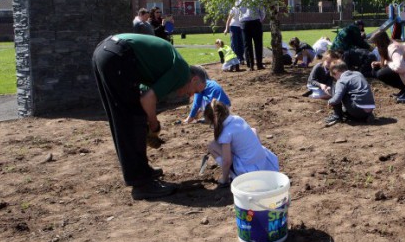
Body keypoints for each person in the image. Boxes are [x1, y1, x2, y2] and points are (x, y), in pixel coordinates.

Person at [92, 33, 207, 200]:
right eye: (195, 91)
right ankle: (141, 184)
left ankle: (142, 171)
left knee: (129, 117)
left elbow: (143, 94)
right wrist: (154, 124)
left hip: (106, 52)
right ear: (194, 79)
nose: (191, 96)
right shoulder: (181, 72)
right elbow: (148, 99)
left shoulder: (166, 66)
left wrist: (148, 120)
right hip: (118, 56)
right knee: (131, 119)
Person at [203, 100, 279, 185]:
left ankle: (232, 176)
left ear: (213, 122)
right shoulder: (237, 119)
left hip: (249, 173)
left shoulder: (225, 134)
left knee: (212, 146)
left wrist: (224, 179)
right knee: (253, 130)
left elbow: (227, 161)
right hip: (264, 164)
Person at [370, 30, 405, 102]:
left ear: (380, 42)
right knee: (376, 70)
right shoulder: (390, 45)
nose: (375, 46)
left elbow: (400, 68)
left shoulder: (394, 48)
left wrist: (388, 63)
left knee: (380, 73)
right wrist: (379, 63)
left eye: (375, 43)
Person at [324, 60, 376, 126]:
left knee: (335, 86)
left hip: (357, 110)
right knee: (348, 96)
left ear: (335, 72)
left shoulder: (341, 80)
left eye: (334, 76)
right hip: (370, 108)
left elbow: (337, 99)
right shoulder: (358, 74)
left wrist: (330, 101)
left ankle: (337, 116)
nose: (335, 78)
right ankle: (364, 117)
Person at [236, 0, 266, 70]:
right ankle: (259, 64)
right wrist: (261, 18)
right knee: (258, 44)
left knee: (247, 45)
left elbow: (238, 11)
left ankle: (250, 65)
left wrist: (241, 21)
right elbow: (262, 10)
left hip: (244, 22)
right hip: (255, 21)